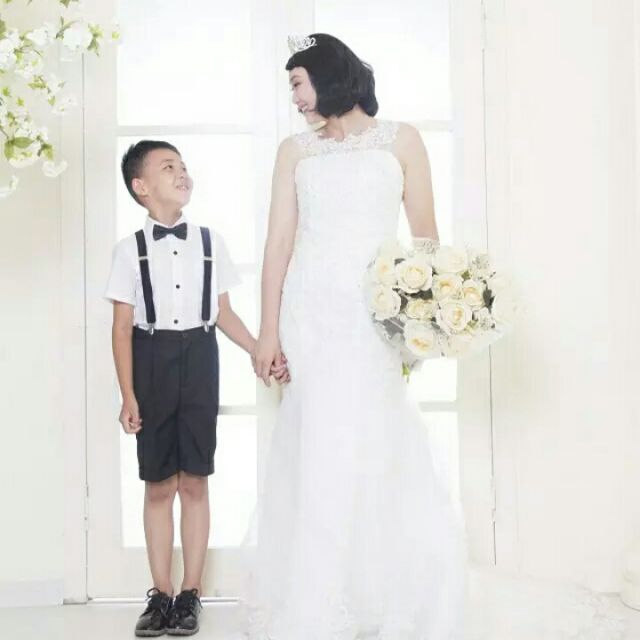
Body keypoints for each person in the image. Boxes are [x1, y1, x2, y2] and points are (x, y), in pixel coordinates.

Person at [248, 34, 465, 639]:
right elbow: (278, 246)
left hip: (374, 317)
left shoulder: (402, 140)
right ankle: (318, 599)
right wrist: (267, 332)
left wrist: (420, 319)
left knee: (374, 441)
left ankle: (382, 595)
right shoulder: (294, 152)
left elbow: (426, 239)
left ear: (326, 74)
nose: (293, 97)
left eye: (297, 83)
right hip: (310, 316)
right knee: (318, 442)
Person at [105, 140, 288, 637]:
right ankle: (160, 594)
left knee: (195, 481)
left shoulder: (210, 241)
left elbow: (223, 312)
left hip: (201, 357)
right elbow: (121, 329)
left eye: (184, 166)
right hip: (152, 359)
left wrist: (258, 349)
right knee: (159, 484)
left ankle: (190, 594)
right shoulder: (129, 250)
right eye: (168, 167)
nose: (182, 173)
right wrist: (128, 394)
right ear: (141, 187)